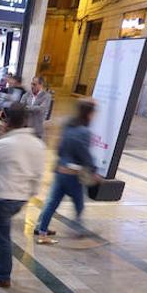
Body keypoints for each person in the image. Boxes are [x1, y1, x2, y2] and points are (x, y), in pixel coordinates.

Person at [0, 105, 46, 288]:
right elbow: (39, 173)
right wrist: (31, 192)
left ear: (6, 121)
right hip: (21, 198)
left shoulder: (7, 143)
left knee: (2, 237)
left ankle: (3, 275)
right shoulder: (36, 143)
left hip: (3, 197)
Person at [36, 98, 99, 244]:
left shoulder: (68, 125)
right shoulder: (84, 132)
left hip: (60, 171)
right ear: (88, 114)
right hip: (73, 175)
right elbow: (85, 154)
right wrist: (93, 170)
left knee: (52, 203)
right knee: (79, 204)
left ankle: (42, 229)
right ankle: (78, 228)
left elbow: (59, 148)